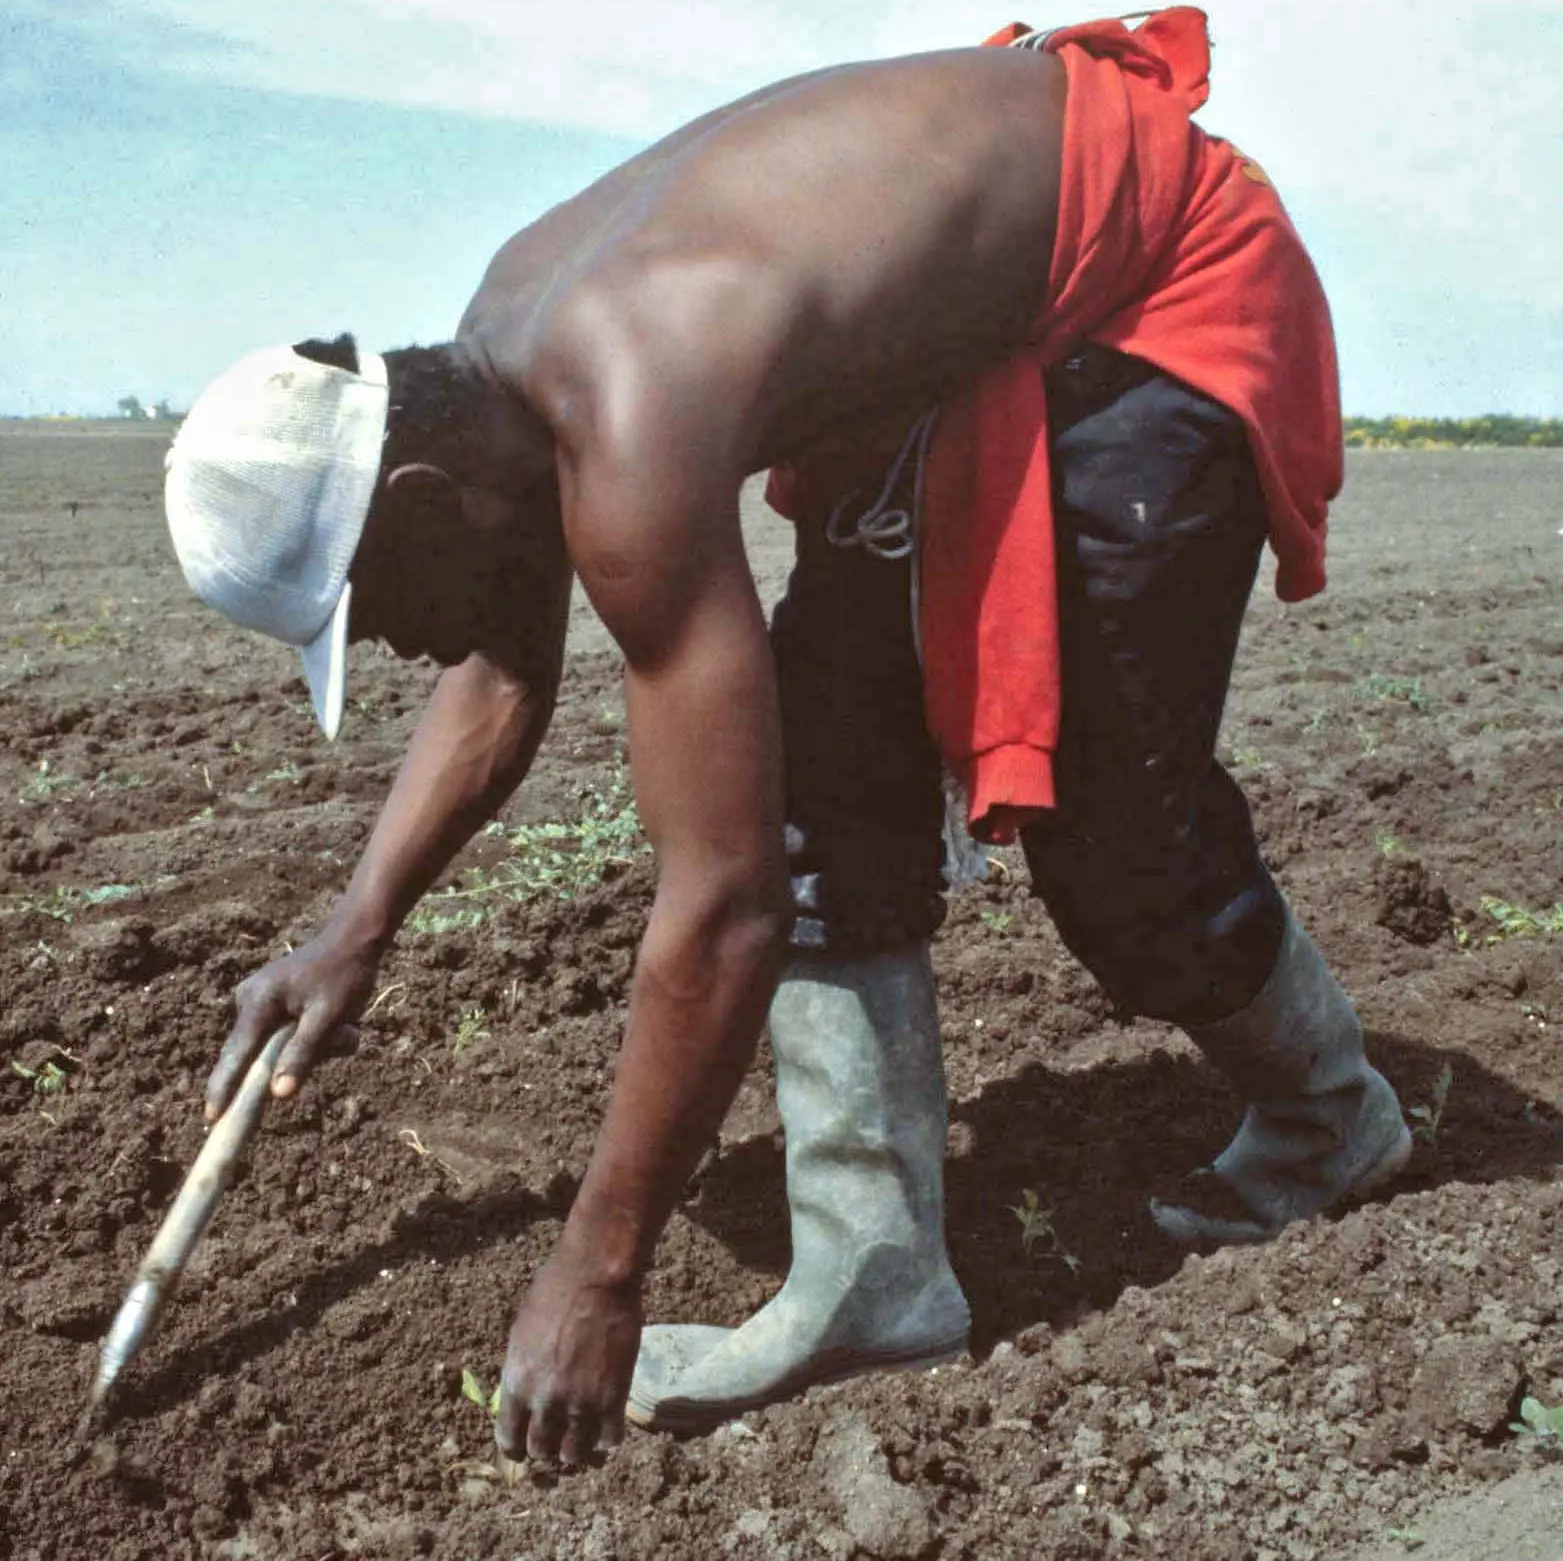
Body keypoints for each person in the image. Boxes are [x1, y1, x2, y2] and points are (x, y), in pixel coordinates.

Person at [163, 9, 1412, 1469]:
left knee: (1112, 825)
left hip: (1156, 288)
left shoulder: (628, 399)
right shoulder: (506, 356)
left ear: (431, 500)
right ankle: (874, 1278)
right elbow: (506, 671)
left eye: (370, 610)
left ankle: (1331, 1118)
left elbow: (722, 904)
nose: (389, 649)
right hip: (981, 342)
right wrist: (356, 924)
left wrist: (599, 1268)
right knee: (825, 776)